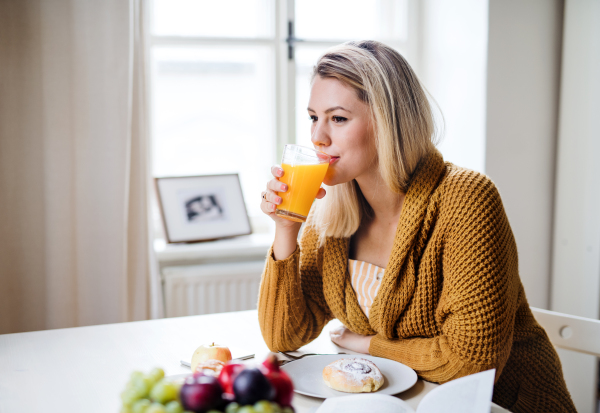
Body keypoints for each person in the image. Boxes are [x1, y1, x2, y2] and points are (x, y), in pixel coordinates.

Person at [257, 40, 576, 412]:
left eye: (338, 118)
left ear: (388, 121)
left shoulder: (466, 200)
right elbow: (283, 335)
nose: (317, 137)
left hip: (502, 405)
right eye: (314, 117)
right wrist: (285, 230)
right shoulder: (331, 214)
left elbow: (471, 363)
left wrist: (369, 345)